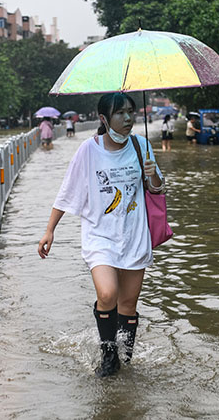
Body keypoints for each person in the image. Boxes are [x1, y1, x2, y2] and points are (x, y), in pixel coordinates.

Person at [38, 92, 165, 377]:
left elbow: (156, 190)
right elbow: (67, 191)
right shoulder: (88, 149)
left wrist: (153, 173)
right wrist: (50, 230)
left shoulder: (141, 144)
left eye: (131, 111)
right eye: (120, 113)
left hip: (134, 234)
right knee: (108, 293)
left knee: (129, 304)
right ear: (104, 119)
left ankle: (127, 356)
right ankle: (109, 355)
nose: (128, 118)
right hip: (100, 236)